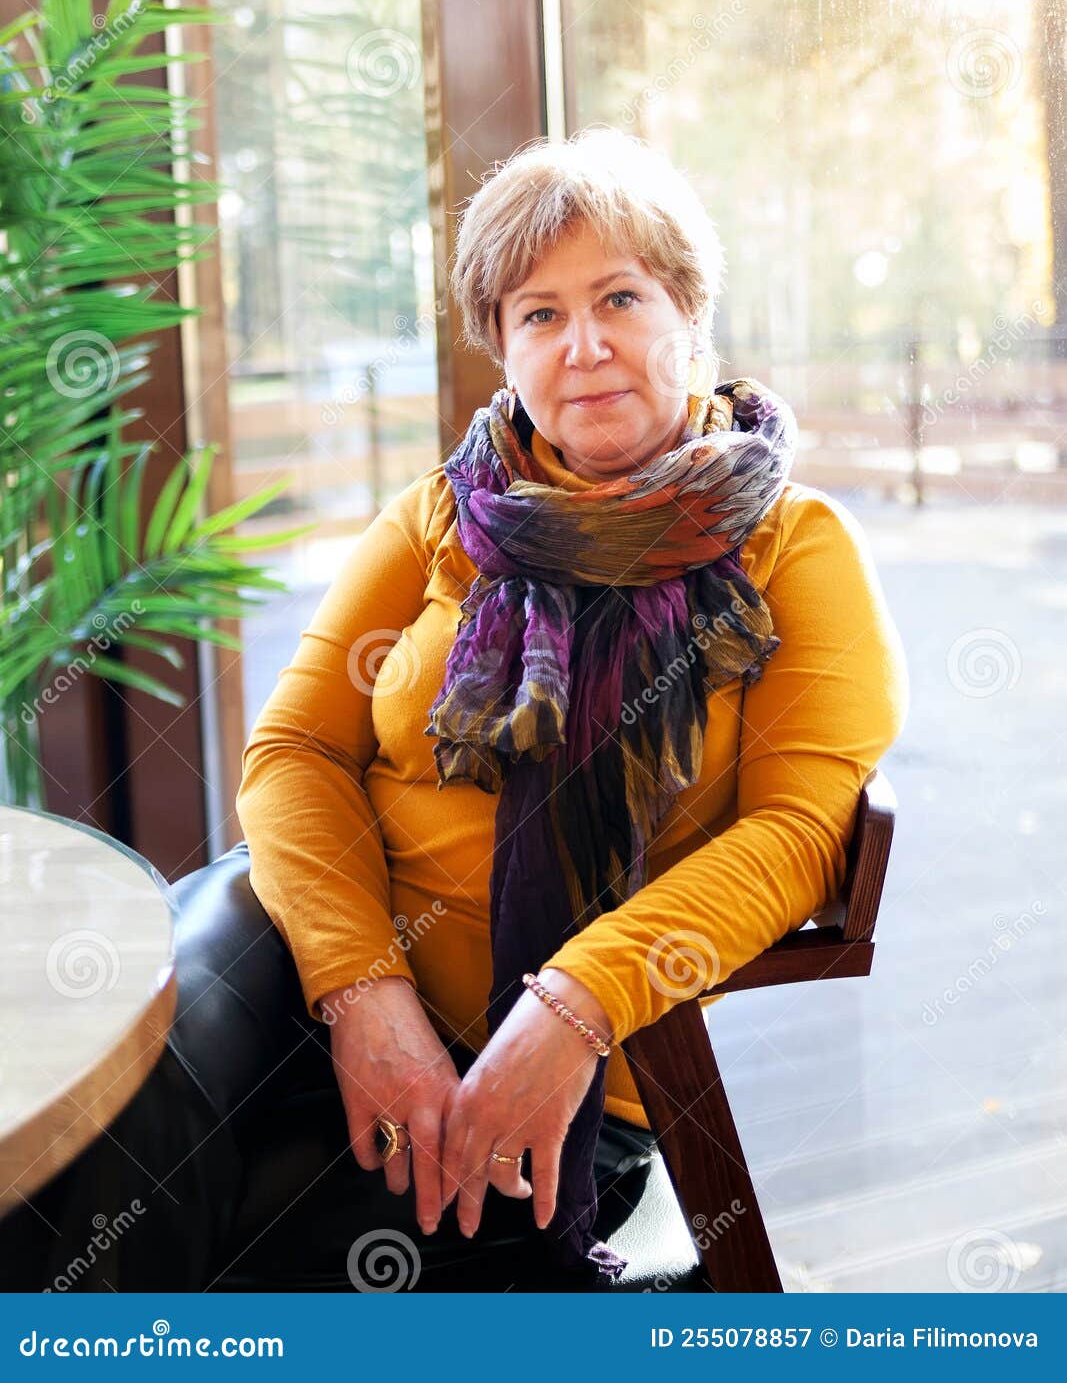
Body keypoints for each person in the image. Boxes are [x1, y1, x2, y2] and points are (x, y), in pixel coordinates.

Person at [0, 126, 907, 1292]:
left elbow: (793, 836)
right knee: (91, 1147)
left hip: (563, 1052)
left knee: (263, 1269)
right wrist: (367, 994)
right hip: (300, 946)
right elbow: (295, 749)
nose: (582, 347)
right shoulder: (448, 511)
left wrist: (571, 1008)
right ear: (501, 348)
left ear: (687, 312)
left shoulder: (794, 546)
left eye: (618, 298)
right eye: (537, 313)